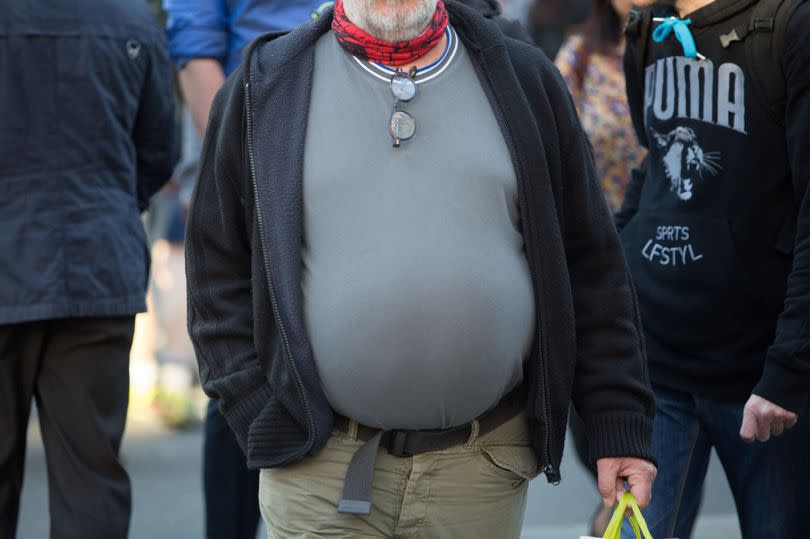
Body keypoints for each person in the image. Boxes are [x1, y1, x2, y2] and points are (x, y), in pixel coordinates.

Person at [186, 0, 657, 537]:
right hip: (319, 474)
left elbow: (592, 268)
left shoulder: (524, 78)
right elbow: (215, 273)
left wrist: (618, 429)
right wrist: (259, 412)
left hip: (479, 471)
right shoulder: (265, 86)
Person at [617, 0, 810, 537]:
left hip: (763, 379)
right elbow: (652, 161)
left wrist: (791, 367)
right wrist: (615, 256)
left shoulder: (789, 26)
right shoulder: (647, 28)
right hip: (656, 370)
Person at [0, 0, 175, 537]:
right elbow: (157, 153)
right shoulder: (133, 21)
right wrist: (109, 206)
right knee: (91, 479)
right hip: (98, 267)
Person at [163, 1, 324, 536]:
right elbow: (196, 48)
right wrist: (242, 165)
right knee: (246, 358)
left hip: (364, 142)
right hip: (258, 143)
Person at [555, 0, 646, 212]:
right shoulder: (580, 51)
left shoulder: (669, 47)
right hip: (597, 214)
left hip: (654, 214)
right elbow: (554, 127)